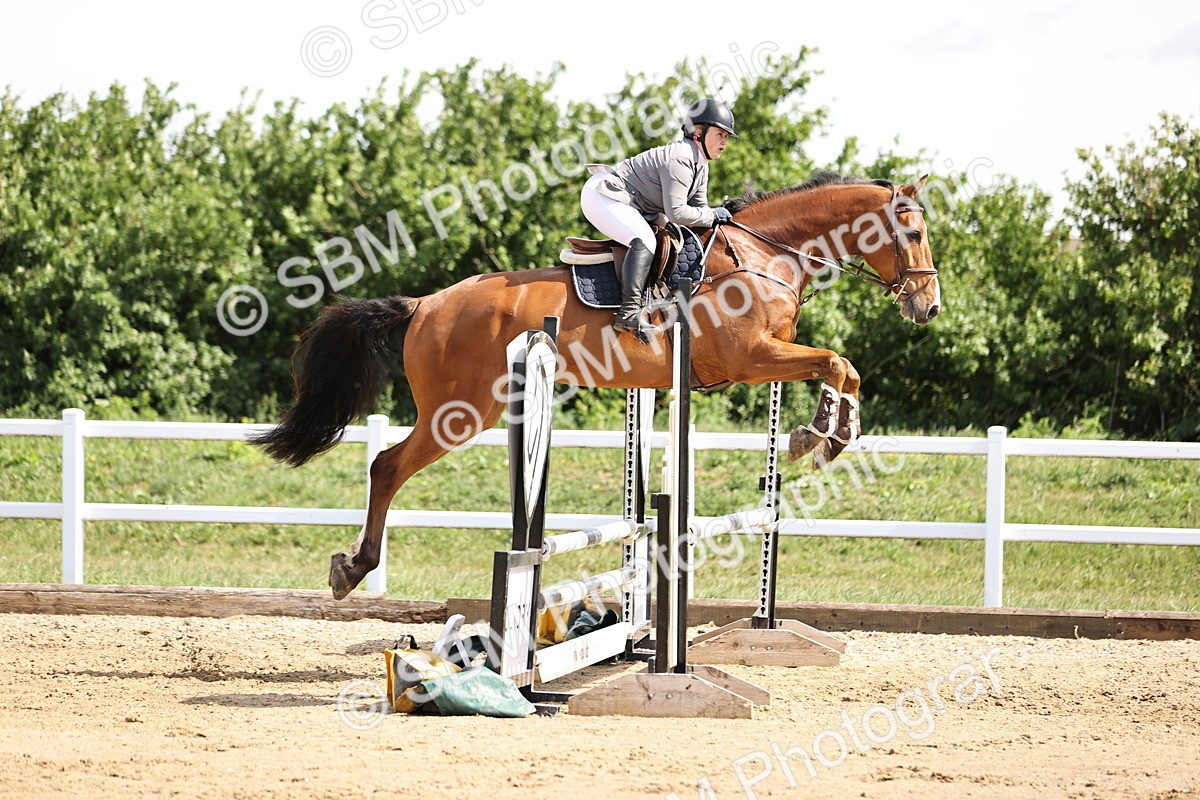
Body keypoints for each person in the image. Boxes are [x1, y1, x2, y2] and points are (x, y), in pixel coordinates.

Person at [579, 97, 736, 343]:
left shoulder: (700, 164)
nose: (724, 142)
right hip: (603, 195)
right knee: (644, 240)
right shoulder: (682, 158)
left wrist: (715, 214)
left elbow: (700, 211)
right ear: (698, 131)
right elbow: (678, 213)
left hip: (629, 202)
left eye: (726, 137)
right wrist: (713, 213)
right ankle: (629, 312)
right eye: (720, 134)